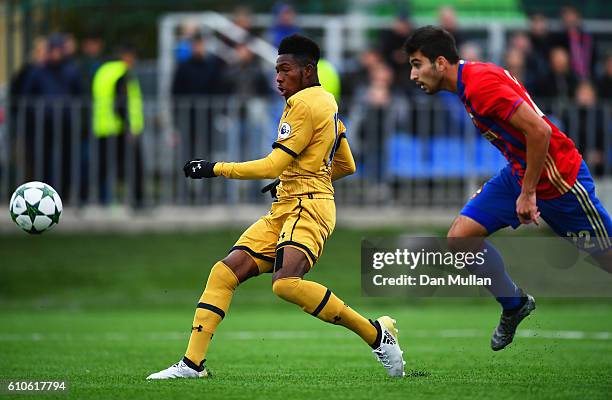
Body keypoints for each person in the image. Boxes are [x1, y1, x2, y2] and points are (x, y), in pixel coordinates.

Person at [147, 34, 405, 380]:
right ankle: (192, 365)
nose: (278, 77)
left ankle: (377, 335)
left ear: (308, 70)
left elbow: (271, 165)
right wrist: (298, 177)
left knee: (286, 283)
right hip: (291, 204)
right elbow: (346, 165)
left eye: (286, 70)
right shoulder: (327, 103)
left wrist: (215, 168)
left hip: (307, 208)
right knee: (224, 272)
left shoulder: (304, 105)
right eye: (276, 70)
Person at [404, 26, 612, 351]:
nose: (413, 74)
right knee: (461, 238)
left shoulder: (480, 85)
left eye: (417, 64)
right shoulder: (471, 81)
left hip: (557, 179)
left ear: (440, 62)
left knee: (607, 257)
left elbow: (540, 132)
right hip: (520, 172)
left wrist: (528, 193)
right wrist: (513, 186)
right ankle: (514, 305)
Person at [92, 45, 144, 208]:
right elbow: (121, 102)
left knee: (103, 167)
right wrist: (129, 126)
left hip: (103, 127)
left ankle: (98, 201)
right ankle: (138, 201)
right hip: (120, 128)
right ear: (126, 57)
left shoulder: (103, 71)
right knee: (135, 165)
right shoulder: (122, 73)